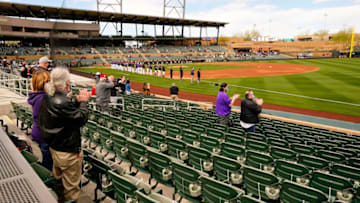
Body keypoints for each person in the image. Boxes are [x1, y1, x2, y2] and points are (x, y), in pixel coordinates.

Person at [38, 67, 90, 202]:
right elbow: (81, 119)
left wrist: (76, 103)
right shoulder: (62, 102)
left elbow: (64, 117)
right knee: (71, 189)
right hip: (68, 152)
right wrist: (84, 101)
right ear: (66, 84)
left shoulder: (49, 96)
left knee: (59, 183)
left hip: (55, 148)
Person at [27, 71, 53, 171]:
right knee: (48, 164)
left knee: (47, 159)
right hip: (44, 134)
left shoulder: (38, 96)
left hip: (40, 132)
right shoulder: (42, 98)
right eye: (49, 81)